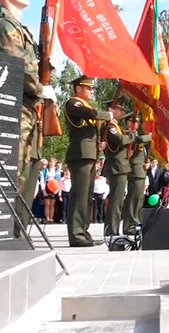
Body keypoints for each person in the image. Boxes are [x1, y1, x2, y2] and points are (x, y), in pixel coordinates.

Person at [0, 0, 57, 236]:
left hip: (26, 113)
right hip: (12, 114)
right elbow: (19, 68)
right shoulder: (3, 27)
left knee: (28, 177)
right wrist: (41, 88)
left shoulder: (18, 28)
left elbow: (34, 66)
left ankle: (19, 236)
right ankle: (5, 236)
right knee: (14, 176)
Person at [64, 76, 120, 247]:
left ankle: (83, 232)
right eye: (89, 88)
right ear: (79, 88)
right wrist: (108, 114)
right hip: (80, 154)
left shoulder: (85, 105)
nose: (91, 91)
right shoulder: (73, 103)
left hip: (89, 154)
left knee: (87, 197)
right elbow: (91, 114)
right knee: (79, 196)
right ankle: (76, 234)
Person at [100, 102, 135, 237]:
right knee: (116, 199)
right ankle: (112, 230)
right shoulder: (110, 126)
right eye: (119, 109)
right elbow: (120, 140)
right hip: (116, 166)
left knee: (118, 199)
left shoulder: (115, 125)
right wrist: (131, 136)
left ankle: (112, 228)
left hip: (119, 166)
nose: (122, 111)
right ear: (110, 109)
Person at [122, 113, 151, 235]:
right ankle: (129, 225)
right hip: (134, 169)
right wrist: (150, 136)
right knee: (133, 197)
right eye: (135, 121)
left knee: (139, 197)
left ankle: (136, 222)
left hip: (141, 169)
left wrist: (147, 161)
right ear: (128, 122)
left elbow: (142, 151)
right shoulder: (128, 133)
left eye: (139, 121)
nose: (137, 123)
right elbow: (137, 140)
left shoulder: (137, 134)